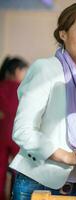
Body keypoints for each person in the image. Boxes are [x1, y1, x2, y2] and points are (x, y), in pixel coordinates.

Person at [9, 3, 76, 198]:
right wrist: (69, 156)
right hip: (38, 183)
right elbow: (22, 131)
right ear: (63, 34)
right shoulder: (46, 69)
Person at [0, 56, 28, 200]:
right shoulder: (21, 88)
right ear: (17, 71)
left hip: (1, 134)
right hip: (17, 135)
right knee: (19, 169)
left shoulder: (1, 86)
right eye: (25, 71)